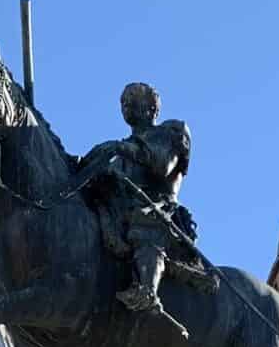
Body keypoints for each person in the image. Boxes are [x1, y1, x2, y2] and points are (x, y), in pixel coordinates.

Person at [78, 82, 197, 325]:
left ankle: (148, 289)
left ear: (152, 108)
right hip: (122, 208)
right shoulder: (122, 148)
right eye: (123, 101)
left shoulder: (170, 132)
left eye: (133, 99)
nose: (126, 105)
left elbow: (162, 164)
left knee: (144, 220)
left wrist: (118, 148)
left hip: (157, 206)